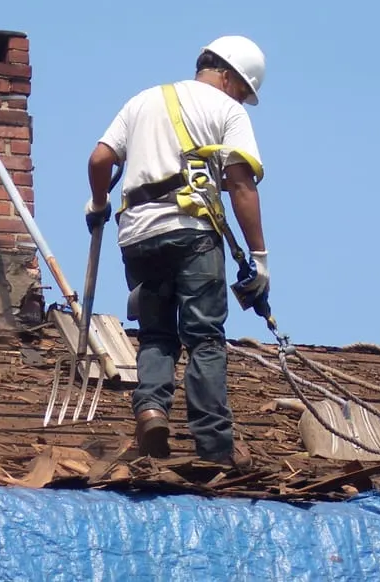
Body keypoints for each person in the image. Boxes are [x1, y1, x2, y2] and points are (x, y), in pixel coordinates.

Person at [84, 35, 270, 467]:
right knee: (204, 337)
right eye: (243, 89)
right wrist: (258, 259)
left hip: (137, 236)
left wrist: (97, 203)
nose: (240, 98)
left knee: (156, 334)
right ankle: (214, 446)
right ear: (228, 76)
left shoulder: (142, 101)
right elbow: (241, 185)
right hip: (192, 233)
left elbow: (99, 159)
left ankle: (151, 411)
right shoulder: (227, 110)